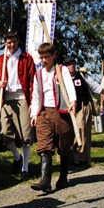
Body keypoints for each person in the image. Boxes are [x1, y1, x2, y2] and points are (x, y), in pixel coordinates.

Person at [29, 43, 77, 192]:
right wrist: (34, 114)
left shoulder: (61, 70)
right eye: (41, 57)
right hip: (44, 112)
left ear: (54, 55)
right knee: (45, 145)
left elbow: (69, 86)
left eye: (47, 57)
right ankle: (45, 180)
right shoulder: (38, 74)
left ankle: (63, 177)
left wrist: (73, 101)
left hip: (61, 111)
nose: (44, 60)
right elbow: (36, 96)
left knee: (64, 144)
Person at [0, 30, 36, 179]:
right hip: (6, 99)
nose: (12, 45)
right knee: (5, 132)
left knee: (25, 133)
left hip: (22, 97)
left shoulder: (26, 58)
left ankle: (25, 169)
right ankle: (18, 158)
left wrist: (32, 102)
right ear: (5, 43)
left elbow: (32, 80)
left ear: (18, 42)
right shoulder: (0, 59)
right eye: (9, 42)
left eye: (14, 42)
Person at [63, 58, 104, 165]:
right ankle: (68, 156)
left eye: (73, 64)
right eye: (69, 65)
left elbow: (94, 86)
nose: (71, 67)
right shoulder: (61, 78)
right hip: (67, 108)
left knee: (81, 130)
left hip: (82, 106)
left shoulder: (82, 76)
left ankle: (80, 156)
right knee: (67, 132)